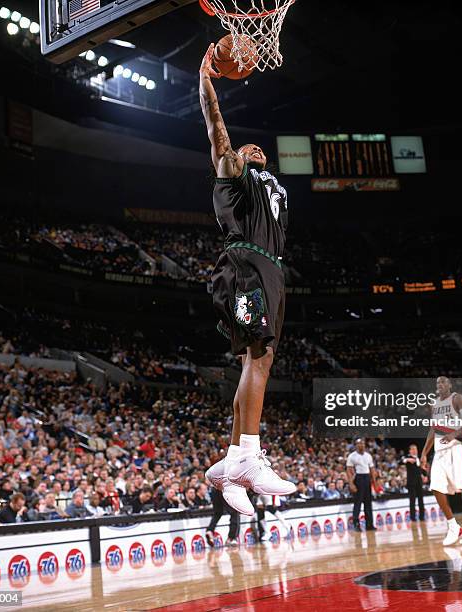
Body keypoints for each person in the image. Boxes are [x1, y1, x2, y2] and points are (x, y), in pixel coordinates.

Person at [199, 43, 295, 517]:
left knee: (259, 360)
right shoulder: (232, 172)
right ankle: (248, 458)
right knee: (257, 357)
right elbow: (216, 127)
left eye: (261, 148)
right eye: (247, 146)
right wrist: (207, 82)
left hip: (269, 271)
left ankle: (232, 462)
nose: (256, 147)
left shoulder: (271, 187)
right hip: (244, 266)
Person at [421, 377, 462, 546]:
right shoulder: (435, 404)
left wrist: (454, 434)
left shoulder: (457, 398)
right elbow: (433, 429)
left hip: (458, 448)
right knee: (435, 487)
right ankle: (453, 526)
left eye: (443, 382)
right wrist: (424, 453)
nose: (440, 385)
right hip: (440, 451)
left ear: (449, 385)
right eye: (437, 383)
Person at [346, 439, 375, 531]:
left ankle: (369, 525)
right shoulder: (352, 456)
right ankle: (356, 525)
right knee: (357, 503)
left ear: (364, 445)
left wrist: (374, 481)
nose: (361, 445)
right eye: (359, 444)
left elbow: (372, 469)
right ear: (356, 445)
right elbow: (349, 471)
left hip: (367, 478)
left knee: (368, 504)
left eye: (362, 443)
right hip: (358, 478)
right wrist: (351, 484)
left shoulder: (368, 456)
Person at [402, 444, 426, 521]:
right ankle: (413, 517)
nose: (415, 450)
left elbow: (420, 470)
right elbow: (402, 460)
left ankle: (422, 516)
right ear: (410, 451)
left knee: (421, 500)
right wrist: (407, 460)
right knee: (412, 501)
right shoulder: (407, 458)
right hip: (411, 483)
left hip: (419, 482)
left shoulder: (419, 458)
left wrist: (424, 475)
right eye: (413, 449)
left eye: (416, 449)